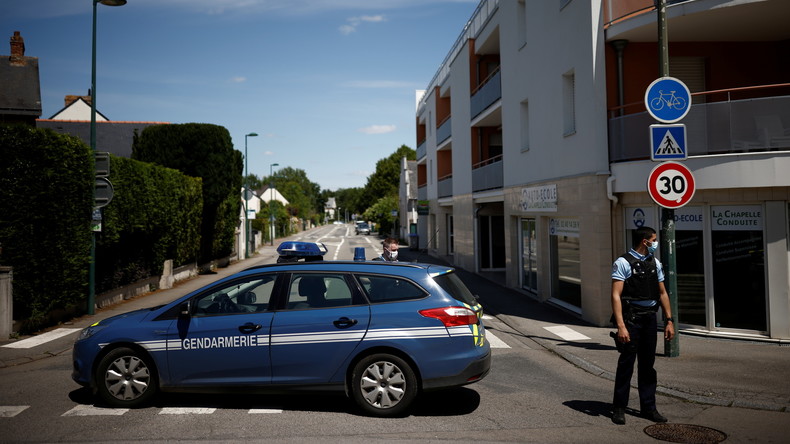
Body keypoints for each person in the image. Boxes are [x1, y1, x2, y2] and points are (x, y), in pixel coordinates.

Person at [610, 226, 675, 425]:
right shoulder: (623, 262)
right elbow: (615, 295)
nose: (656, 243)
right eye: (653, 240)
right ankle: (619, 408)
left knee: (648, 366)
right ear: (645, 241)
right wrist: (621, 326)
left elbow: (662, 293)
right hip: (631, 319)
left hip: (649, 319)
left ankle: (649, 408)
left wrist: (669, 321)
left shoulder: (655, 262)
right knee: (626, 365)